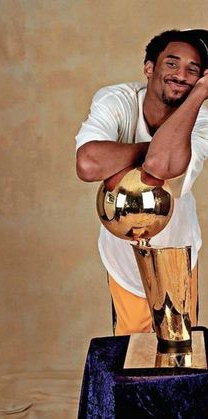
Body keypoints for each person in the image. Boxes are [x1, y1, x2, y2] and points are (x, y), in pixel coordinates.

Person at [75, 29, 208, 335]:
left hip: (177, 252)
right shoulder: (117, 100)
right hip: (124, 256)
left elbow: (160, 167)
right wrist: (150, 151)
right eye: (172, 64)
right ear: (150, 67)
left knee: (179, 354)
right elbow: (87, 163)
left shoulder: (200, 119)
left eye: (193, 70)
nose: (181, 75)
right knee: (131, 353)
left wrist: (199, 95)